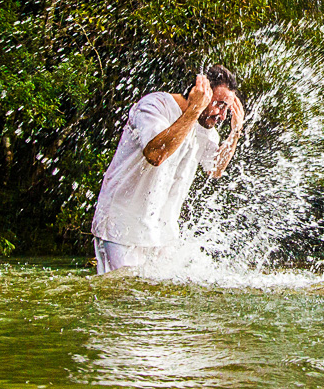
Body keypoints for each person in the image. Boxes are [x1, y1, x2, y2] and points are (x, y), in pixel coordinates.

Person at [91, 65, 245, 274]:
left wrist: (235, 132)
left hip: (161, 235)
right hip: (120, 228)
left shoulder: (206, 129)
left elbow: (216, 169)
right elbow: (156, 154)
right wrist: (194, 110)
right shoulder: (155, 105)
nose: (222, 116)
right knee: (120, 293)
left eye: (227, 108)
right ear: (200, 92)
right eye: (219, 105)